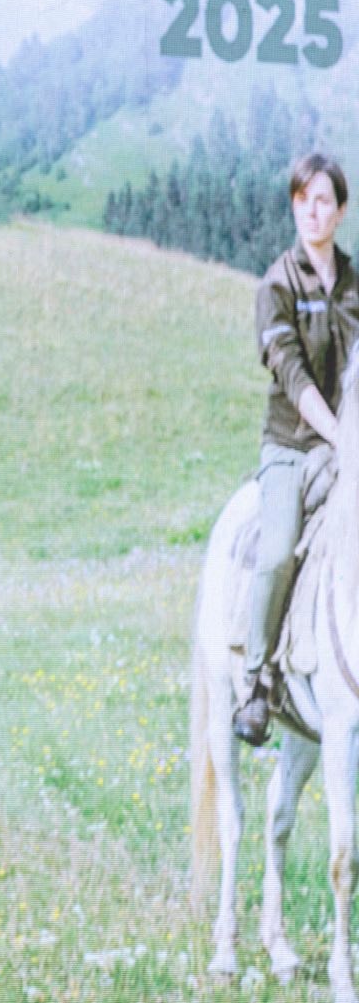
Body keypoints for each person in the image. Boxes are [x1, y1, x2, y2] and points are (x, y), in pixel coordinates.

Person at [234, 153, 359, 746]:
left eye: (324, 200)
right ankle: (257, 680)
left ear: (341, 211)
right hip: (292, 445)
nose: (313, 211)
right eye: (303, 200)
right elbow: (290, 372)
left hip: (346, 447)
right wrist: (338, 434)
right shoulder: (277, 283)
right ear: (294, 207)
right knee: (280, 547)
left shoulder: (355, 284)